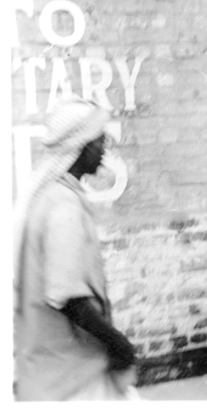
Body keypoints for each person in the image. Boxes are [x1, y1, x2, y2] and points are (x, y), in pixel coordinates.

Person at [13, 97, 138, 401]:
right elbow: (69, 298)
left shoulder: (51, 195)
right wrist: (118, 343)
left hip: (51, 370)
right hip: (72, 376)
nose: (104, 148)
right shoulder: (63, 206)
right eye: (99, 140)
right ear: (81, 147)